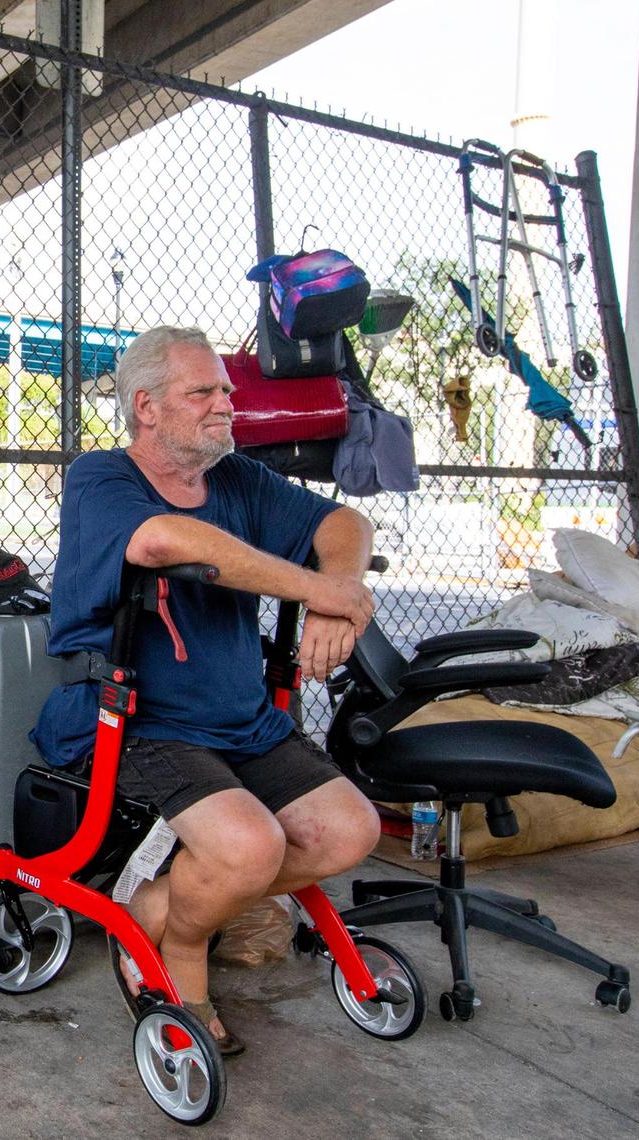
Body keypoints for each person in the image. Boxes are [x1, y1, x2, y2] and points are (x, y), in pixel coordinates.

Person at [32, 326, 381, 1055]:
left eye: (226, 389)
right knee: (250, 849)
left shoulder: (237, 478)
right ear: (147, 407)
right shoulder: (101, 477)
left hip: (242, 720)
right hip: (141, 721)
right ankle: (183, 950)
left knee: (351, 830)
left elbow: (345, 520)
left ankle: (158, 902)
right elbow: (166, 543)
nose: (227, 402)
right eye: (205, 391)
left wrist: (336, 594)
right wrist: (321, 588)